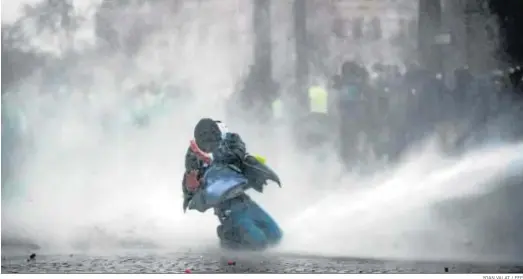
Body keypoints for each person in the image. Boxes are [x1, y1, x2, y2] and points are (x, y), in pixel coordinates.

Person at [182, 118, 282, 250]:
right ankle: (228, 236)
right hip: (226, 208)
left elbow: (236, 155)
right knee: (258, 241)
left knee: (275, 235)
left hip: (243, 200)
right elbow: (190, 182)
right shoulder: (193, 155)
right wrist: (191, 186)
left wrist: (211, 157)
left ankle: (232, 237)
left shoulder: (231, 140)